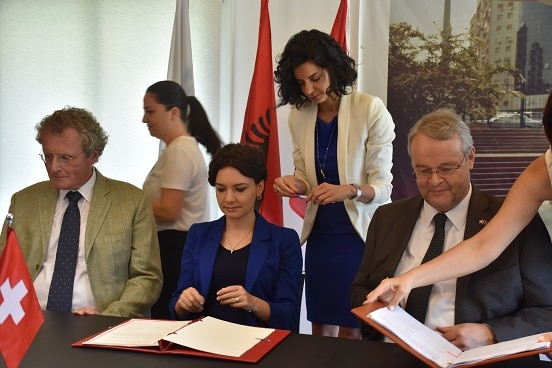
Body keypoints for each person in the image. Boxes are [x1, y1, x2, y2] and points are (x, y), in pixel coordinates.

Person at [350, 108, 552, 349]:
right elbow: (361, 291)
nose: (434, 180)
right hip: (390, 352)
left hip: (471, 360)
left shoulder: (517, 220)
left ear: (470, 158)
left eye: (446, 169)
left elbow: (546, 310)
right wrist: (382, 309)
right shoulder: (387, 218)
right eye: (423, 170)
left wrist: (491, 333)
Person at [272, 29, 395, 339]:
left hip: (360, 236)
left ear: (333, 67)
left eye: (315, 77)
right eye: (301, 83)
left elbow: (383, 187)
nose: (310, 89)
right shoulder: (298, 117)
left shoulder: (370, 108)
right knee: (320, 327)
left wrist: (349, 190)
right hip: (321, 235)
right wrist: (292, 184)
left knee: (352, 331)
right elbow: (304, 178)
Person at [0, 106, 162, 317]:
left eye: (65, 158)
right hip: (26, 321)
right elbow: (4, 263)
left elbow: (147, 278)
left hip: (101, 319)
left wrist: (108, 317)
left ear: (93, 155)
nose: (53, 167)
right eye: (48, 156)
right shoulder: (23, 200)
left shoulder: (131, 201)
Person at [169, 143, 303, 331]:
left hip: (257, 344)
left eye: (239, 189)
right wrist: (184, 303)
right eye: (221, 189)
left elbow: (289, 315)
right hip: (201, 339)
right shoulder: (198, 234)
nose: (228, 199)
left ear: (259, 188)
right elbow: (177, 306)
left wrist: (253, 302)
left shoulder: (284, 240)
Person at [142, 80, 223, 319]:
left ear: (173, 113)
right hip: (174, 245)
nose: (144, 119)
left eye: (150, 111)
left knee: (167, 320)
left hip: (175, 248)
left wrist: (129, 204)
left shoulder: (180, 151)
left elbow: (169, 210)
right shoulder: (180, 149)